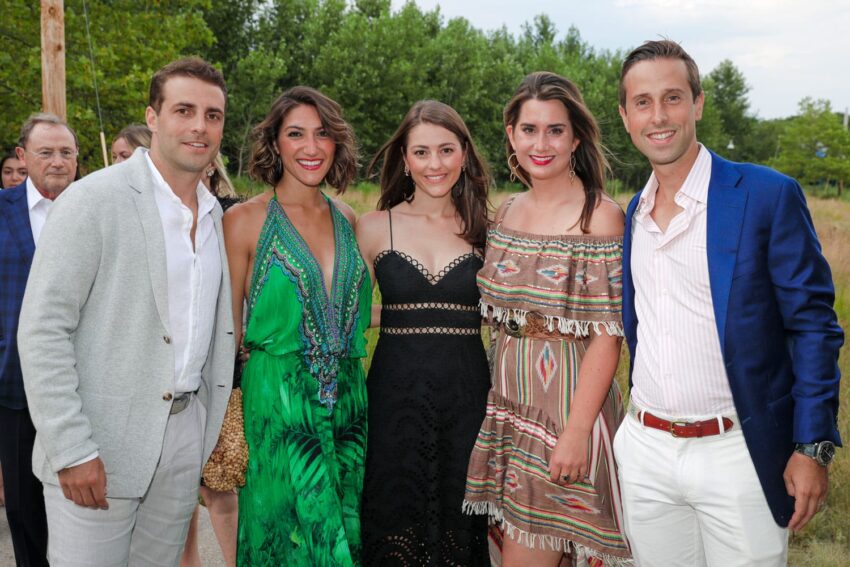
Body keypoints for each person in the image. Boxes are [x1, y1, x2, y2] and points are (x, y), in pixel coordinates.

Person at [615, 39, 844, 566]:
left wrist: (812, 446)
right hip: (647, 452)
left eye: (672, 98)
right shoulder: (634, 213)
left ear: (697, 103)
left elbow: (813, 325)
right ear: (625, 116)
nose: (658, 116)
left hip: (738, 451)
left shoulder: (767, 195)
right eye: (643, 102)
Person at [18, 57, 235, 566]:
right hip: (98, 447)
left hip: (183, 437)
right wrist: (71, 449)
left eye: (213, 115)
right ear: (153, 117)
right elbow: (43, 331)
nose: (200, 126)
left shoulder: (213, 216)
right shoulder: (93, 200)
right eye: (184, 110)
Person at [463, 72, 630, 567]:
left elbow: (607, 338)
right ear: (511, 134)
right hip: (511, 411)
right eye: (529, 129)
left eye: (555, 130)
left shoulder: (598, 216)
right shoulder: (507, 212)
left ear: (576, 137)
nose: (542, 143)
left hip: (566, 416)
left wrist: (576, 434)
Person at [224, 86, 369, 567]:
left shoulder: (349, 220)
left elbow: (351, 316)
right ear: (275, 144)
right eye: (296, 134)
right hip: (277, 406)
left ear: (336, 144)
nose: (311, 147)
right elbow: (225, 328)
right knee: (281, 537)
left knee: (343, 533)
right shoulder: (244, 221)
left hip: (347, 404)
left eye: (322, 134)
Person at [356, 100, 492, 565]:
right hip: (393, 396)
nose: (435, 164)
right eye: (421, 152)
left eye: (446, 150)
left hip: (468, 395)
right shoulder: (374, 227)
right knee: (393, 513)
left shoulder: (488, 230)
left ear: (464, 155)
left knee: (459, 520)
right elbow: (348, 314)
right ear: (405, 160)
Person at [1, 112, 78, 567]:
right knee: (26, 512)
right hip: (14, 388)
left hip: (86, 386)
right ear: (22, 157)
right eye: (46, 151)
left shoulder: (97, 210)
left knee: (86, 509)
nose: (57, 161)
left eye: (66, 152)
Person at [181, 153, 241, 567]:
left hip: (223, 370)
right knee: (179, 490)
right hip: (173, 373)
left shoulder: (230, 216)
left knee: (219, 483)